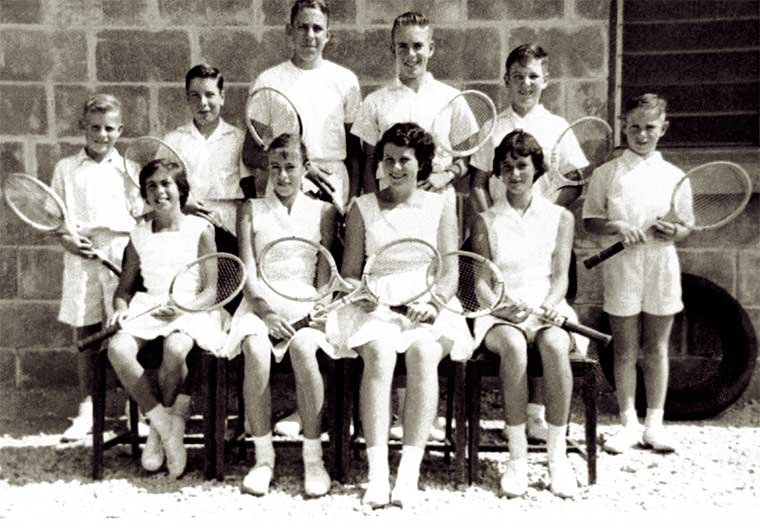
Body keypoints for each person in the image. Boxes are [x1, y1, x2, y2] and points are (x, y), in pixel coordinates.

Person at [326, 123, 471, 509]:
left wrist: (435, 304)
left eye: (405, 160)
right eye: (388, 159)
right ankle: (377, 475)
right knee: (379, 355)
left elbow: (450, 272)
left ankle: (407, 475)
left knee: (423, 355)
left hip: (428, 301)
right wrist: (362, 296)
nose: (395, 167)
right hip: (377, 302)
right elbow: (350, 274)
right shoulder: (362, 207)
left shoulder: (442, 204)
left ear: (421, 163)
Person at [350, 10, 471, 441]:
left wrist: (444, 178)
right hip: (388, 215)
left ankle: (419, 419)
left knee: (424, 332)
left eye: (418, 45)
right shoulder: (376, 102)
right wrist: (373, 209)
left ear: (431, 48)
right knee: (384, 334)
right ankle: (387, 421)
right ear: (392, 49)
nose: (411, 53)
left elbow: (466, 162)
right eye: (403, 46)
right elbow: (366, 163)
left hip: (434, 211)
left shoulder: (452, 99)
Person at [468, 44, 589, 442]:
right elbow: (477, 184)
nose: (526, 83)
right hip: (502, 241)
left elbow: (575, 181)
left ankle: (539, 415)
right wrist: (493, 220)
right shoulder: (492, 128)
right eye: (518, 76)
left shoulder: (556, 125)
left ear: (546, 80)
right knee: (514, 332)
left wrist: (546, 213)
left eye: (533, 76)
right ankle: (517, 423)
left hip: (544, 240)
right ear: (506, 80)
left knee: (546, 321)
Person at [470, 129, 585, 499]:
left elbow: (562, 276)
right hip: (500, 314)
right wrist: (501, 306)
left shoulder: (560, 217)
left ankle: (556, 457)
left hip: (547, 308)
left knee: (554, 346)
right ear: (498, 173)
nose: (515, 175)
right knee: (515, 348)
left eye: (522, 166)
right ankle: (517, 458)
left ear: (537, 169)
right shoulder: (485, 220)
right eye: (507, 168)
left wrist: (551, 304)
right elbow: (481, 284)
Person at [222, 133, 338, 497]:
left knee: (304, 350)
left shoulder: (324, 211)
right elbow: (248, 275)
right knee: (255, 351)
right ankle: (263, 458)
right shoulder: (250, 209)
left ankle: (313, 459)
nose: (283, 176)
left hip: (305, 304)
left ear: (306, 169)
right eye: (276, 168)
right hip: (259, 305)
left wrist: (320, 306)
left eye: (291, 167)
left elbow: (324, 277)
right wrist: (267, 314)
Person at [107, 159, 227, 478]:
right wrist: (120, 308)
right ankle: (164, 425)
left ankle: (159, 438)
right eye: (152, 186)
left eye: (166, 184)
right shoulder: (139, 235)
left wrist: (182, 308)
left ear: (180, 189)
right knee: (117, 349)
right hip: (150, 305)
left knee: (175, 350)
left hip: (193, 307)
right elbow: (124, 288)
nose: (159, 191)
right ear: (145, 194)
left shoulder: (201, 229)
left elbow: (211, 290)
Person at [583, 94, 688, 455]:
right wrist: (617, 225)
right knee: (625, 349)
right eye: (634, 128)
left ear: (663, 129)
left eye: (650, 128)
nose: (642, 135)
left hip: (661, 264)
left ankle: (654, 425)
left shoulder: (675, 176)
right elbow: (591, 221)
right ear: (623, 127)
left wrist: (676, 232)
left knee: (657, 347)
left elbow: (686, 225)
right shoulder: (606, 174)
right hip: (622, 266)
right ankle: (628, 422)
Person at [52, 93, 143, 442]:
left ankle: (133, 408)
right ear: (81, 128)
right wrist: (69, 241)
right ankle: (89, 410)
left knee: (125, 332)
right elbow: (56, 217)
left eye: (108, 128)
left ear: (119, 130)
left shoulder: (128, 169)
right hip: (81, 255)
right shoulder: (66, 168)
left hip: (119, 253)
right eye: (94, 128)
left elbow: (139, 215)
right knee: (87, 334)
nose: (101, 135)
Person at [242, 0, 362, 207]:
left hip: (333, 186)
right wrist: (297, 167)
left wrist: (352, 200)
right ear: (289, 31)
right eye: (302, 27)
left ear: (328, 35)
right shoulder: (269, 81)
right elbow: (251, 152)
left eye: (317, 28)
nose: (310, 35)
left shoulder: (346, 81)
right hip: (285, 184)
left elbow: (354, 152)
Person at [162, 63, 251, 235]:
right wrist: (182, 201)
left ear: (222, 97)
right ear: (187, 98)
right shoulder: (173, 140)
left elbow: (250, 193)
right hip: (187, 225)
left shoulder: (239, 140)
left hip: (230, 226)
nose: (203, 103)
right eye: (195, 96)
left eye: (209, 95)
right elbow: (159, 185)